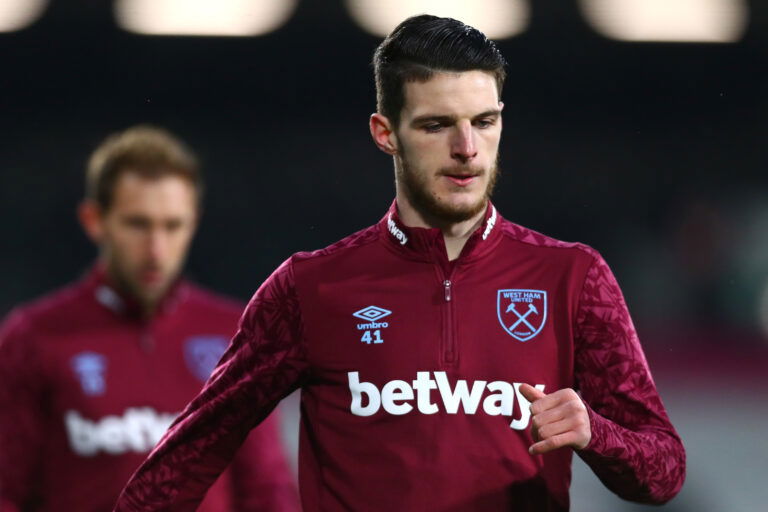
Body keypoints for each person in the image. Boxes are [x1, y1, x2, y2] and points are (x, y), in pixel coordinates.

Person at [114, 16, 685, 511]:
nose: (467, 148)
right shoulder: (311, 288)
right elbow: (189, 453)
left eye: (484, 122)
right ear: (385, 134)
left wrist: (597, 434)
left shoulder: (572, 278)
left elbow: (664, 471)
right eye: (437, 125)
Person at [0, 126, 299, 512]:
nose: (156, 249)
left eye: (172, 225)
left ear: (194, 223)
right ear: (94, 220)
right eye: (138, 225)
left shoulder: (234, 334)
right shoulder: (34, 338)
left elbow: (265, 489)